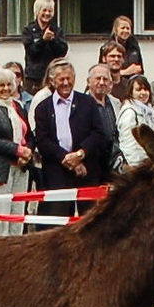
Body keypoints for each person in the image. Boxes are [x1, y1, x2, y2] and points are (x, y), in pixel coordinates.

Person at [32, 61, 109, 217]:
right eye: (61, 79)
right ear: (52, 81)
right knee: (58, 220)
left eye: (69, 78)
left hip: (87, 170)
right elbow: (42, 140)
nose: (66, 83)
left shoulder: (88, 103)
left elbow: (98, 133)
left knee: (89, 219)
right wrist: (67, 159)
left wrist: (80, 155)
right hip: (57, 173)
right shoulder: (42, 108)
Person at [0, 67, 33, 237]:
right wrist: (17, 150)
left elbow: (29, 134)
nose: (6, 89)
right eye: (0, 85)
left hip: (20, 168)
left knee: (17, 216)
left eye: (9, 84)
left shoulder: (18, 106)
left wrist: (28, 152)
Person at [21, 0, 69, 93]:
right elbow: (31, 52)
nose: (47, 13)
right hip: (34, 78)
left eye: (50, 11)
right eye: (44, 10)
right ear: (37, 11)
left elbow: (62, 53)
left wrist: (52, 40)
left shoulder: (57, 30)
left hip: (53, 77)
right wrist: (43, 41)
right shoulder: (28, 30)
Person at [113, 75, 154, 170]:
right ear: (131, 92)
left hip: (148, 163)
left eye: (146, 89)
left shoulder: (149, 111)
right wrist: (135, 166)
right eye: (138, 90)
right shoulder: (129, 112)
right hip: (135, 165)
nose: (143, 93)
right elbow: (128, 143)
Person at [109, 15, 145, 80]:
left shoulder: (135, 47)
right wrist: (126, 72)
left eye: (128, 28)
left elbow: (140, 69)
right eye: (122, 28)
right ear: (115, 30)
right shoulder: (107, 48)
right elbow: (103, 73)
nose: (125, 31)